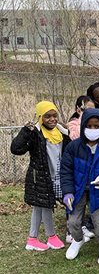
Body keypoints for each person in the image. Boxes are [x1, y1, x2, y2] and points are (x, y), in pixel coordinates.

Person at [60, 108, 99, 263]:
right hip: (77, 190)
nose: (93, 129)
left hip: (98, 190)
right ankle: (78, 240)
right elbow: (65, 170)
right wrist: (67, 192)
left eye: (97, 126)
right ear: (83, 127)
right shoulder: (73, 147)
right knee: (73, 222)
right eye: (90, 126)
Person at [11, 101, 69, 251]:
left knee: (40, 206)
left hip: (57, 176)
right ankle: (51, 236)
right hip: (40, 177)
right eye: (47, 116)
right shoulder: (35, 134)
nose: (52, 119)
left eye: (54, 116)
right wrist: (26, 130)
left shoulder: (62, 133)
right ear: (40, 117)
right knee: (45, 205)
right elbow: (16, 149)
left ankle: (32, 238)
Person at [66, 95, 95, 243]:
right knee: (74, 200)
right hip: (76, 169)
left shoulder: (92, 126)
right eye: (87, 110)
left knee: (86, 199)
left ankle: (82, 225)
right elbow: (76, 137)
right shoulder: (74, 124)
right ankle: (70, 231)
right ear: (79, 109)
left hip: (88, 171)